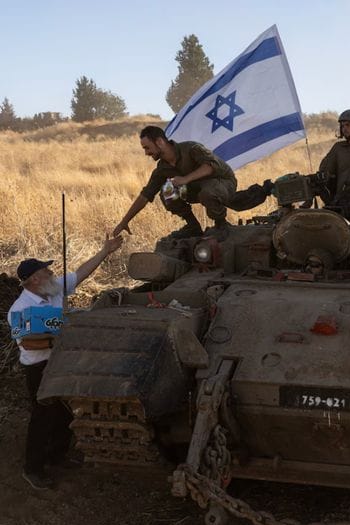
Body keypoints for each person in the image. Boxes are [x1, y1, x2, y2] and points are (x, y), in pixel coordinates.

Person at [8, 235, 123, 490]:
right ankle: (33, 469)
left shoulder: (53, 288)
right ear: (34, 279)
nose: (51, 272)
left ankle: (57, 456)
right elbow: (28, 343)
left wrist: (105, 251)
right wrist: (60, 335)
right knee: (42, 416)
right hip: (39, 368)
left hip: (61, 362)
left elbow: (81, 273)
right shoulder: (20, 309)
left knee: (65, 412)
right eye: (45, 270)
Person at [112, 126, 271, 241]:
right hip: (198, 189)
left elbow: (210, 167)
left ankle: (221, 225)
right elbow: (145, 196)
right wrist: (124, 222)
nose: (146, 153)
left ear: (159, 142)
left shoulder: (191, 148)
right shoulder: (162, 168)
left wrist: (185, 179)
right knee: (167, 192)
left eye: (147, 148)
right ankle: (193, 227)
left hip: (223, 182)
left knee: (208, 192)